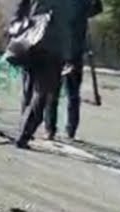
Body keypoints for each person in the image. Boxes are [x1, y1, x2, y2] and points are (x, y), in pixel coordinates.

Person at [12, 0, 79, 149]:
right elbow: (67, 27)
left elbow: (21, 10)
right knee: (42, 94)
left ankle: (23, 129)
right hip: (51, 51)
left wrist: (16, 30)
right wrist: (68, 57)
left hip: (31, 44)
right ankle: (24, 134)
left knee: (30, 89)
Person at [46, 0, 104, 140]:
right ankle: (69, 130)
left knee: (54, 92)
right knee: (71, 93)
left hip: (59, 51)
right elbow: (97, 8)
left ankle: (51, 129)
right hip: (72, 52)